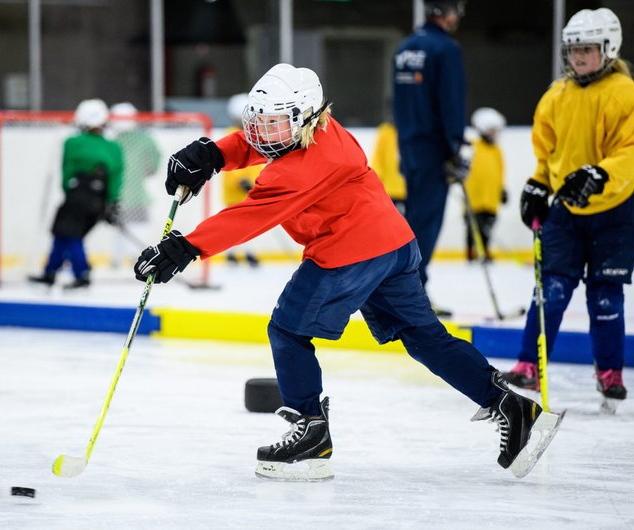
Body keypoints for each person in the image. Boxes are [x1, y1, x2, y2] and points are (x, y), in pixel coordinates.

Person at [133, 63, 561, 481]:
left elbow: (249, 217)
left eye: (273, 122)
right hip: (394, 244)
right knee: (425, 337)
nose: (262, 131)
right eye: (259, 121)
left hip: (349, 252)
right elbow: (263, 144)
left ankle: (311, 431)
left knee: (288, 329)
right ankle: (513, 408)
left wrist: (184, 248)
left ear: (304, 117)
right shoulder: (320, 129)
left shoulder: (299, 170)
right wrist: (213, 154)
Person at [503, 8, 634, 413]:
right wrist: (539, 184)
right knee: (550, 289)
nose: (578, 57)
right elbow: (548, 154)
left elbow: (628, 151)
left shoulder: (624, 92)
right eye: (573, 49)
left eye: (587, 49)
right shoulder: (557, 95)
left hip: (616, 210)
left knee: (605, 294)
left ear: (608, 48)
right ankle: (529, 364)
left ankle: (610, 372)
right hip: (566, 211)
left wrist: (601, 174)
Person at [392, 0, 468, 315]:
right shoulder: (445, 49)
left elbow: (397, 102)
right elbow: (451, 101)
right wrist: (455, 147)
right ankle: (411, 292)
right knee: (426, 221)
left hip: (410, 144)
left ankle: (406, 288)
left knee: (414, 218)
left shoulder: (405, 48)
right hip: (434, 148)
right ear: (448, 14)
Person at [29, 98, 124, 289]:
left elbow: (66, 175)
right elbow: (116, 178)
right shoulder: (114, 147)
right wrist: (111, 202)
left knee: (70, 234)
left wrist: (72, 192)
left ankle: (82, 273)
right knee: (63, 233)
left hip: (77, 195)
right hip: (99, 199)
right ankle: (51, 272)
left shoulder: (72, 142)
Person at [108, 102, 161, 268]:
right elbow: (153, 166)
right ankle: (134, 259)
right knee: (137, 227)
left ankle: (117, 260)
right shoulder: (146, 140)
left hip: (116, 196)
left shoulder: (112, 142)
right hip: (138, 196)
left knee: (119, 229)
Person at [221, 93, 262, 267]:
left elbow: (259, 162)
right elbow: (228, 163)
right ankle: (231, 252)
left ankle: (248, 252)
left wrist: (259, 181)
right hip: (235, 191)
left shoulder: (255, 134)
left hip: (252, 188)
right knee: (234, 224)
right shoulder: (231, 134)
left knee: (251, 224)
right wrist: (240, 180)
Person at [463, 107, 507, 262]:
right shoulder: (473, 147)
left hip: (491, 198)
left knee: (488, 226)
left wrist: (502, 189)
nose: (494, 135)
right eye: (491, 131)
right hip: (474, 197)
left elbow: (500, 172)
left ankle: (485, 250)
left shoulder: (497, 151)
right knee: (473, 226)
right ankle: (470, 251)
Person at [369, 121, 407, 215]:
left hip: (409, 190)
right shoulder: (386, 132)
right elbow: (378, 157)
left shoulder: (412, 131)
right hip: (390, 190)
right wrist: (376, 177)